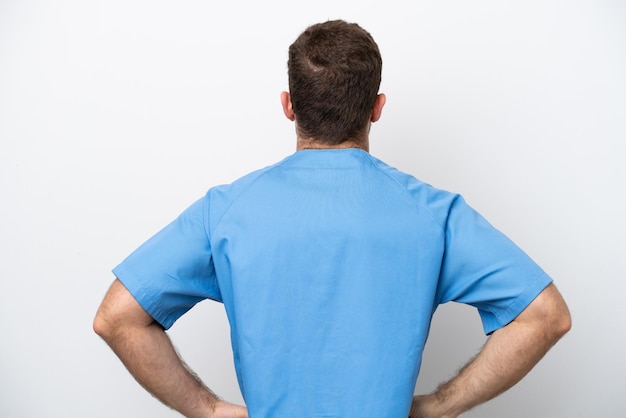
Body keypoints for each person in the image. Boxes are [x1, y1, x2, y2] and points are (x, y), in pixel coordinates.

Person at [93, 19, 571, 418]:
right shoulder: (434, 215)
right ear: (377, 107)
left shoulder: (226, 211)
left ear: (288, 105)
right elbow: (546, 317)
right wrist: (441, 405)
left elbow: (117, 319)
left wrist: (209, 410)